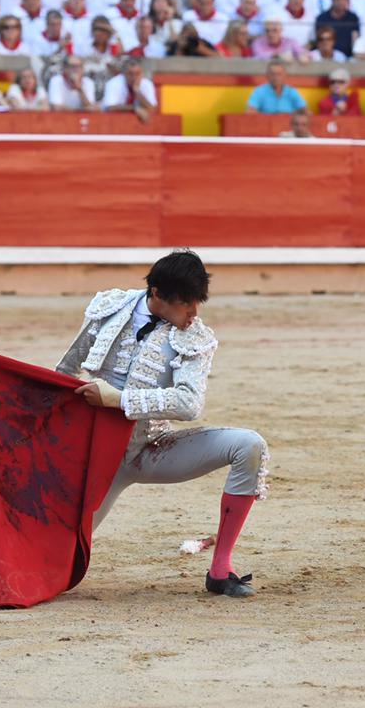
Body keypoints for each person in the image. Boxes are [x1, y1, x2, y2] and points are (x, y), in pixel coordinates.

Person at [59, 250, 267, 599]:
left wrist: (119, 399)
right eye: (186, 304)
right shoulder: (109, 308)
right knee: (57, 562)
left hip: (152, 450)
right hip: (94, 458)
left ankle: (221, 569)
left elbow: (189, 404)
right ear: (156, 294)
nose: (193, 314)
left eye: (197, 303)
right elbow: (65, 371)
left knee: (249, 445)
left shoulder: (194, 337)